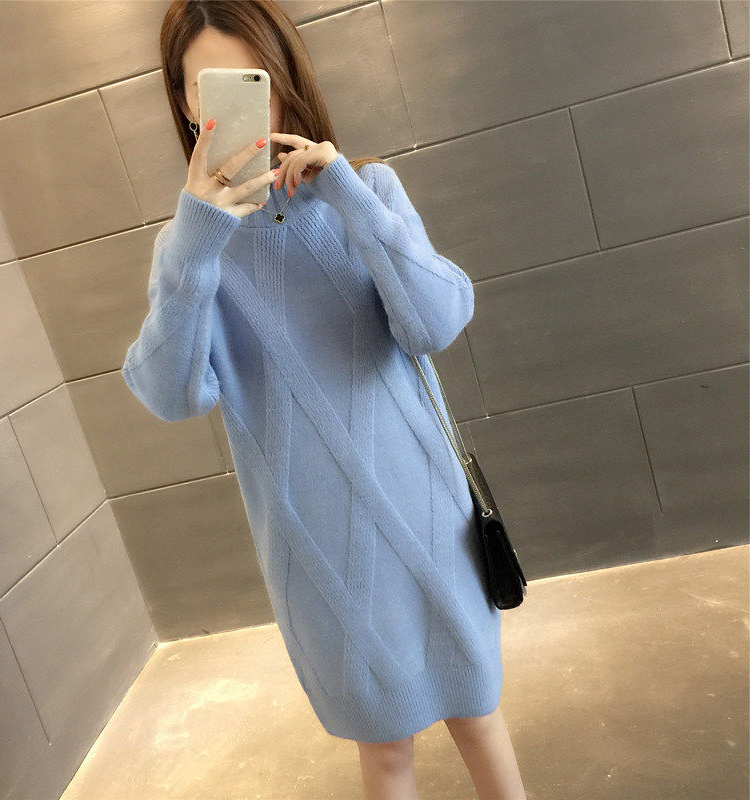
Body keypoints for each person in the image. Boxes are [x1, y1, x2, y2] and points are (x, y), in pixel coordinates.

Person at [123, 2, 526, 798]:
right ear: (185, 103)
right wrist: (198, 238)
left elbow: (436, 320)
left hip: (428, 513)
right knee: (386, 751)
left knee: (478, 713)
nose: (237, 102)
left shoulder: (366, 188)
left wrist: (346, 192)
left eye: (254, 78)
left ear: (285, 78)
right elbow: (171, 393)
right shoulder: (189, 249)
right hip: (317, 550)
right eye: (208, 85)